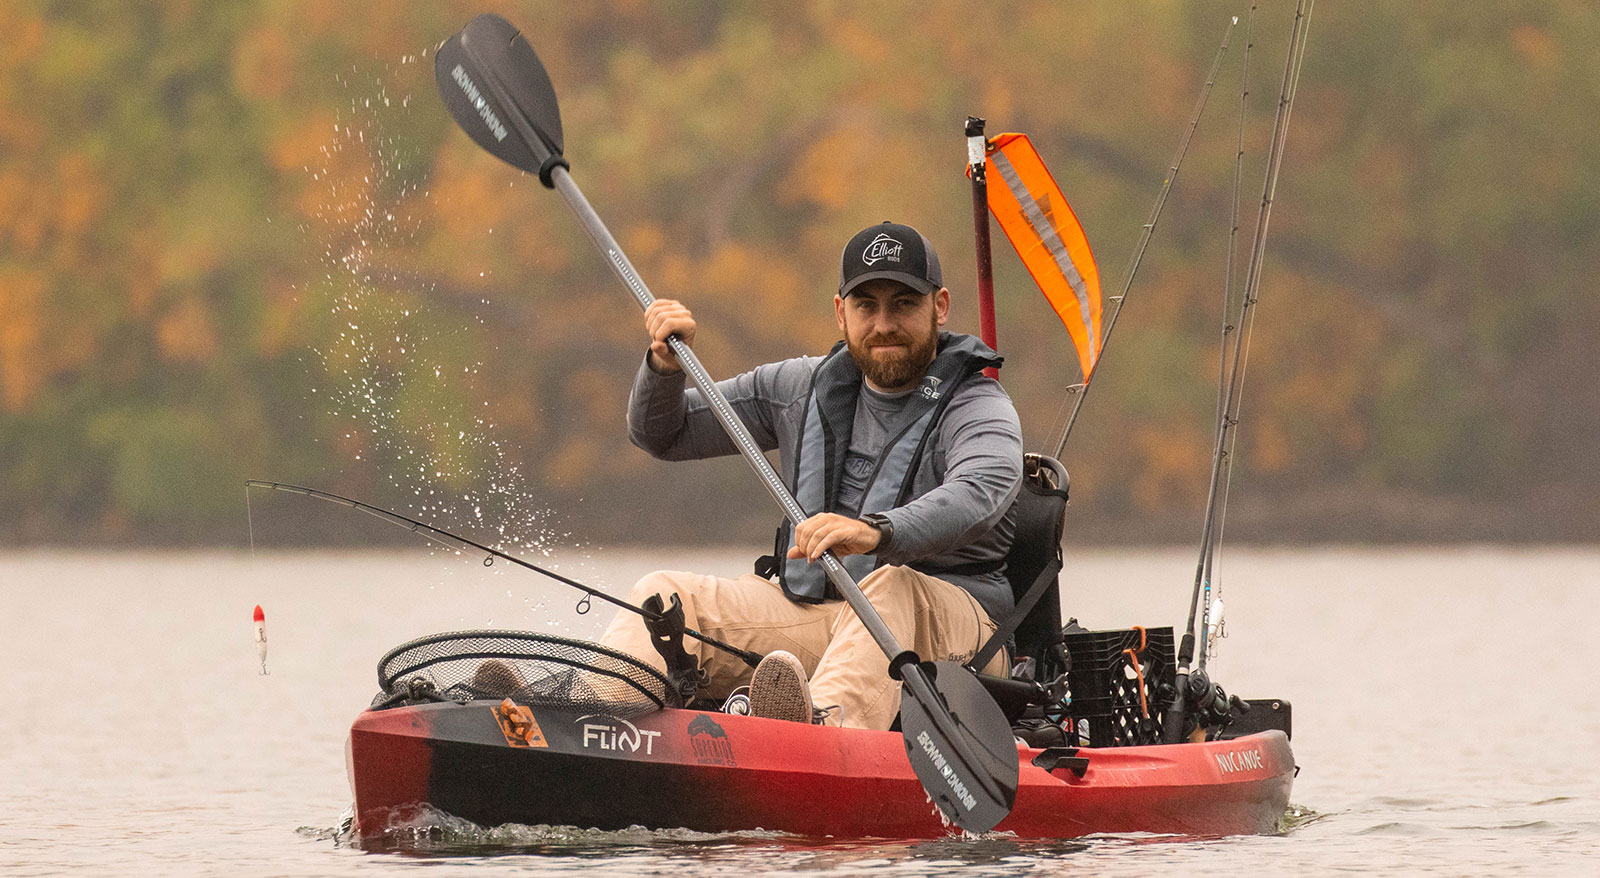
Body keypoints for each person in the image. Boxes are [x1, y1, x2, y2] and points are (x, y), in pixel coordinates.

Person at [599, 221, 1024, 730]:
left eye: (904, 304)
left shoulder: (977, 404)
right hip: (831, 620)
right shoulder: (796, 387)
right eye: (867, 306)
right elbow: (663, 433)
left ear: (940, 306)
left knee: (891, 586)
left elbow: (982, 489)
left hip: (962, 633)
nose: (884, 323)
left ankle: (818, 733)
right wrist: (663, 367)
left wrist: (877, 531)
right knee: (666, 591)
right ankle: (582, 707)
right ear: (841, 312)